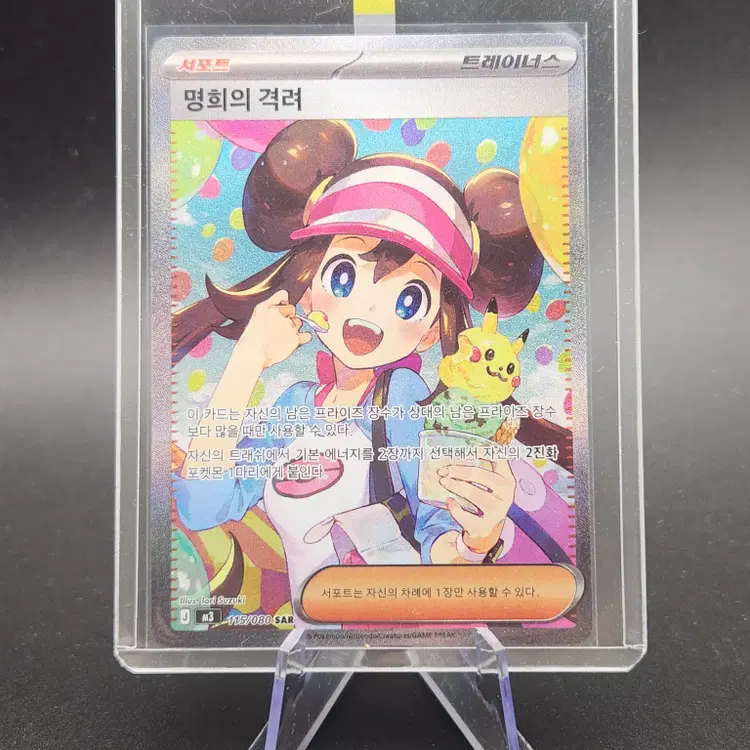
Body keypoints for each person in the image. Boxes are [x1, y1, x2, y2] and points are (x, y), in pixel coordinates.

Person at [172, 120, 574, 613]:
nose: (367, 313)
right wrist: (246, 361)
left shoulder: (401, 395)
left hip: (390, 629)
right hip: (311, 633)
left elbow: (438, 538)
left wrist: (478, 538)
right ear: (308, 287)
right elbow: (204, 506)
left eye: (409, 299)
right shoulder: (296, 405)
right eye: (343, 276)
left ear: (431, 331)